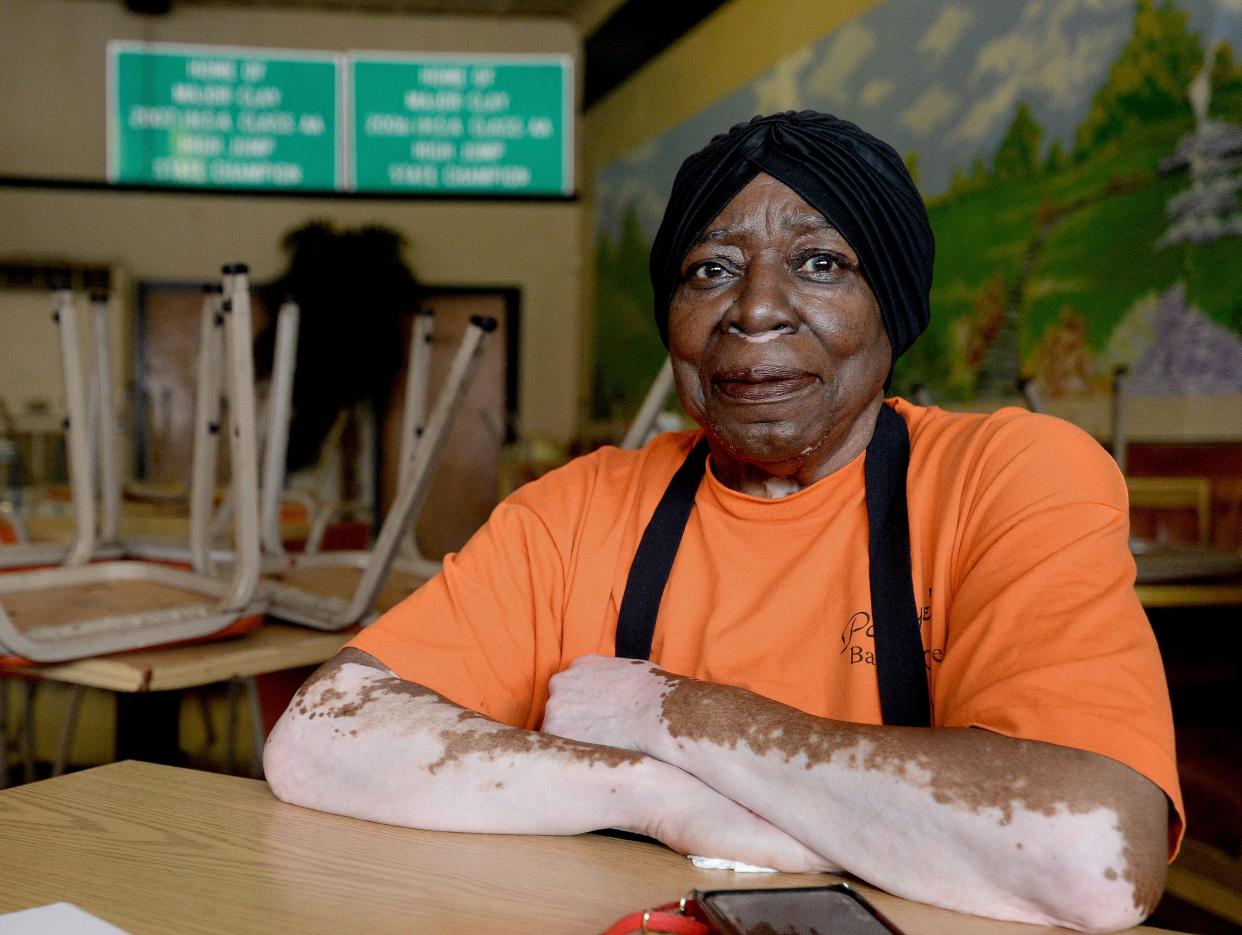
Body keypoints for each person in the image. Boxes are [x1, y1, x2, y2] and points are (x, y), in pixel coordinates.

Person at [264, 112, 1182, 932]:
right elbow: (320, 736)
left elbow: (1090, 859)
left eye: (821, 263)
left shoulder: (1010, 478)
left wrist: (664, 709)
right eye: (711, 270)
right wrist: (661, 794)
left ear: (892, 309)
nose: (755, 310)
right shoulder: (584, 505)